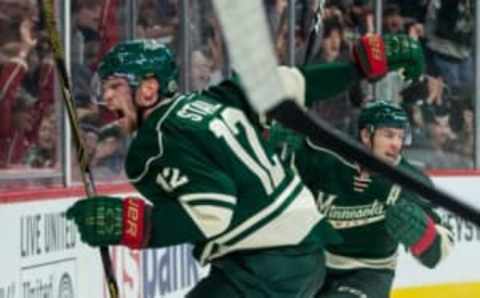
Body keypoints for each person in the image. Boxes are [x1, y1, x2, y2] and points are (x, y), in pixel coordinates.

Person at [66, 33, 424, 297]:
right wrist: (356, 67)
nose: (106, 97)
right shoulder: (218, 99)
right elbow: (293, 83)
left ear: (147, 90)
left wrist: (130, 224)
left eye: (114, 86)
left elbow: (213, 211)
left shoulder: (154, 144)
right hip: (308, 255)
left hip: (265, 266)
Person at [268, 100, 454, 298]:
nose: (396, 144)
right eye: (388, 134)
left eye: (401, 137)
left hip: (370, 271)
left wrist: (426, 237)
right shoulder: (325, 156)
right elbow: (277, 176)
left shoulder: (409, 181)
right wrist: (275, 149)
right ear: (366, 135)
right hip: (313, 262)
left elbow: (441, 249)